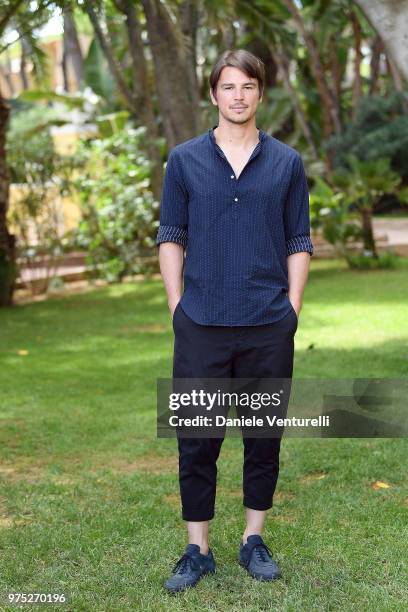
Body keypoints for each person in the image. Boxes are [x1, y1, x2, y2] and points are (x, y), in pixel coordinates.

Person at [156, 49, 313, 593]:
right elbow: (171, 236)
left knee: (262, 435)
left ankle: (253, 539)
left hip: (268, 322)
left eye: (248, 86)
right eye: (228, 86)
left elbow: (299, 239)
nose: (238, 95)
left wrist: (292, 307)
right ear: (214, 93)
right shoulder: (184, 161)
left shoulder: (287, 163)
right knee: (197, 437)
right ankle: (197, 548)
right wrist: (178, 305)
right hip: (200, 321)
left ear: (260, 93)